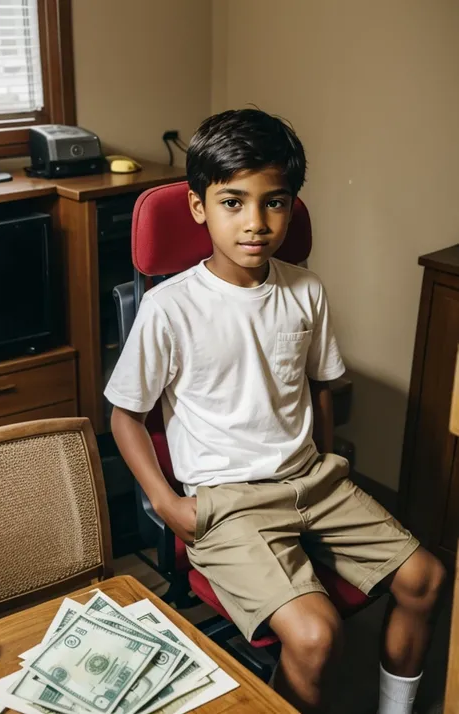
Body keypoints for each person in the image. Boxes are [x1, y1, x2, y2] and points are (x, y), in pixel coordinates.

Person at [105, 108, 446, 714]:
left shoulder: (306, 289)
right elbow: (125, 416)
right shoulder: (169, 309)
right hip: (229, 501)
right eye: (233, 202)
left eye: (275, 203)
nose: (256, 223)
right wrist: (166, 503)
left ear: (293, 206)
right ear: (197, 208)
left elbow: (319, 386)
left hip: (312, 481)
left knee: (426, 578)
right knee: (317, 635)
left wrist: (329, 454)